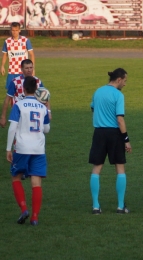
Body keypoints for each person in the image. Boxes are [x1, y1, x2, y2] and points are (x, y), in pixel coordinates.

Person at [6, 76, 50, 226]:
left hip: (22, 148)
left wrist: (8, 149)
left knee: (16, 177)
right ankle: (35, 217)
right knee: (36, 183)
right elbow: (47, 129)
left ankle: (24, 208)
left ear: (23, 89)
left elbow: (12, 127)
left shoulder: (18, 105)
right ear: (36, 89)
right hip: (39, 149)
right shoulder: (42, 107)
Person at [89, 68, 132, 215]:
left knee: (97, 169)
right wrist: (126, 139)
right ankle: (120, 206)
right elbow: (120, 119)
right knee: (120, 169)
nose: (125, 84)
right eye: (124, 81)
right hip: (114, 134)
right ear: (119, 80)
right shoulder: (118, 95)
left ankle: (96, 206)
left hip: (99, 133)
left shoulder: (98, 91)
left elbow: (93, 109)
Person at [0, 59, 51, 128]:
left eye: (31, 67)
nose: (29, 70)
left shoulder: (38, 81)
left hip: (34, 114)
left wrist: (48, 111)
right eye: (26, 68)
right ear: (21, 69)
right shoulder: (15, 82)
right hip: (19, 114)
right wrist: (3, 117)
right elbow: (7, 99)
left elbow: (45, 97)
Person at [1, 22, 35, 90]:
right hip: (12, 71)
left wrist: (32, 69)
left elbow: (32, 55)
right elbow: (5, 55)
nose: (15, 32)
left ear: (19, 30)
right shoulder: (7, 41)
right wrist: (2, 66)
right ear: (11, 30)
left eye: (16, 30)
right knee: (10, 92)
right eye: (13, 30)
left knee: (23, 91)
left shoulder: (25, 40)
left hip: (23, 71)